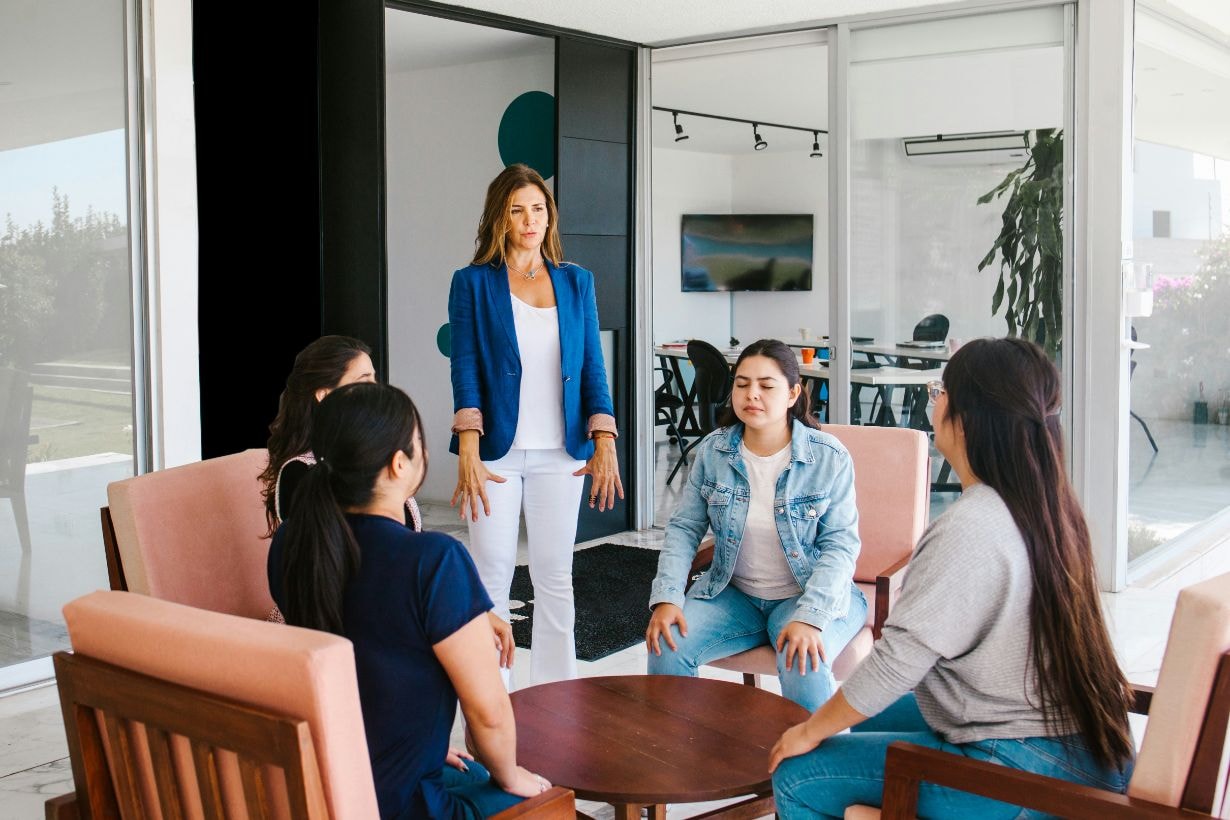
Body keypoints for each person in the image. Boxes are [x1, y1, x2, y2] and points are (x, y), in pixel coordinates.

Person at [768, 337, 1136, 819]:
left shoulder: (970, 527)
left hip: (1025, 771)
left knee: (799, 775)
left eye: (941, 390)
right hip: (1087, 748)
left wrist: (808, 731)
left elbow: (896, 663)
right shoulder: (1049, 508)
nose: (934, 401)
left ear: (969, 417)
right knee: (866, 715)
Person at [267, 382, 550, 819]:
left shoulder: (292, 543)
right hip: (402, 803)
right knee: (544, 797)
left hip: (326, 785)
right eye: (419, 443)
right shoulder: (433, 562)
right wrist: (512, 775)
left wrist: (423, 752)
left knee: (471, 773)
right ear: (399, 465)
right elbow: (488, 713)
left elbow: (367, 666)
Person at [448, 163, 623, 685]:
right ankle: (492, 709)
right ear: (500, 217)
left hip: (562, 455)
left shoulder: (576, 282)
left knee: (555, 579)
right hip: (497, 454)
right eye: (517, 209)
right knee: (492, 579)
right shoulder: (472, 283)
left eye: (539, 209)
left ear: (551, 216)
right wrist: (470, 451)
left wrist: (604, 439)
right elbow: (465, 370)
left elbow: (593, 364)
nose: (530, 220)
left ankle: (557, 702)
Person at [645, 338, 867, 712]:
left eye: (767, 386)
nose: (752, 395)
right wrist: (667, 597)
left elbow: (840, 546)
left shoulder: (829, 458)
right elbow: (684, 529)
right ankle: (676, 761)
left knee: (803, 659)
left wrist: (811, 619)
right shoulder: (714, 451)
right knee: (667, 643)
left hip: (809, 593)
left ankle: (814, 765)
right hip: (735, 595)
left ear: (794, 393)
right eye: (742, 383)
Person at [260, 335, 422, 533]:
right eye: (364, 380)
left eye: (374, 378)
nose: (376, 388)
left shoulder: (368, 450)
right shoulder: (299, 473)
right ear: (325, 395)